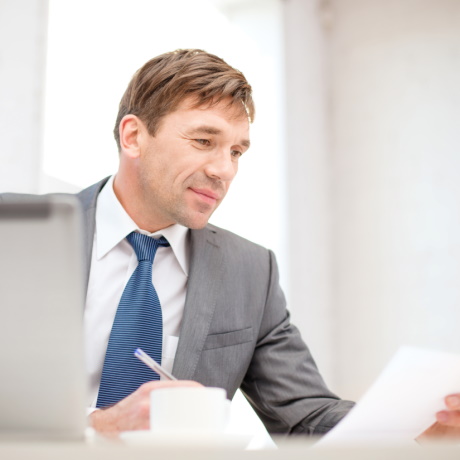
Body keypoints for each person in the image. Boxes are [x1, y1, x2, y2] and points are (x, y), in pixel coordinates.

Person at [3, 49, 460, 439]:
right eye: (204, 140)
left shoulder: (250, 271)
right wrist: (97, 428)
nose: (224, 170)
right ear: (134, 136)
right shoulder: (16, 234)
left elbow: (305, 416)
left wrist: (418, 430)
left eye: (237, 151)